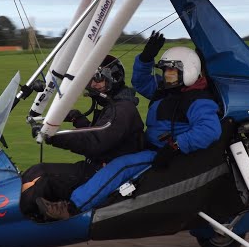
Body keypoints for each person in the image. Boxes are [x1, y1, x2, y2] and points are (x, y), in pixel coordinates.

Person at [35, 32, 222, 221]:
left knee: (122, 166)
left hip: (168, 154)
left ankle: (72, 207)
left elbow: (209, 130)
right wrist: (146, 58)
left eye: (171, 72)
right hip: (153, 147)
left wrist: (175, 146)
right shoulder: (166, 90)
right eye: (164, 71)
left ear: (188, 72)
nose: (166, 76)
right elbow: (140, 81)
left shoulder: (198, 100)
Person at [20, 55, 144, 217]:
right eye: (90, 79)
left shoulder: (122, 110)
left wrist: (52, 136)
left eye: (98, 79)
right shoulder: (113, 106)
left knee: (39, 176)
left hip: (104, 173)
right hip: (97, 165)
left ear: (114, 78)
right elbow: (99, 136)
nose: (93, 85)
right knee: (35, 171)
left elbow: (95, 143)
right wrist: (78, 119)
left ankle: (27, 223)